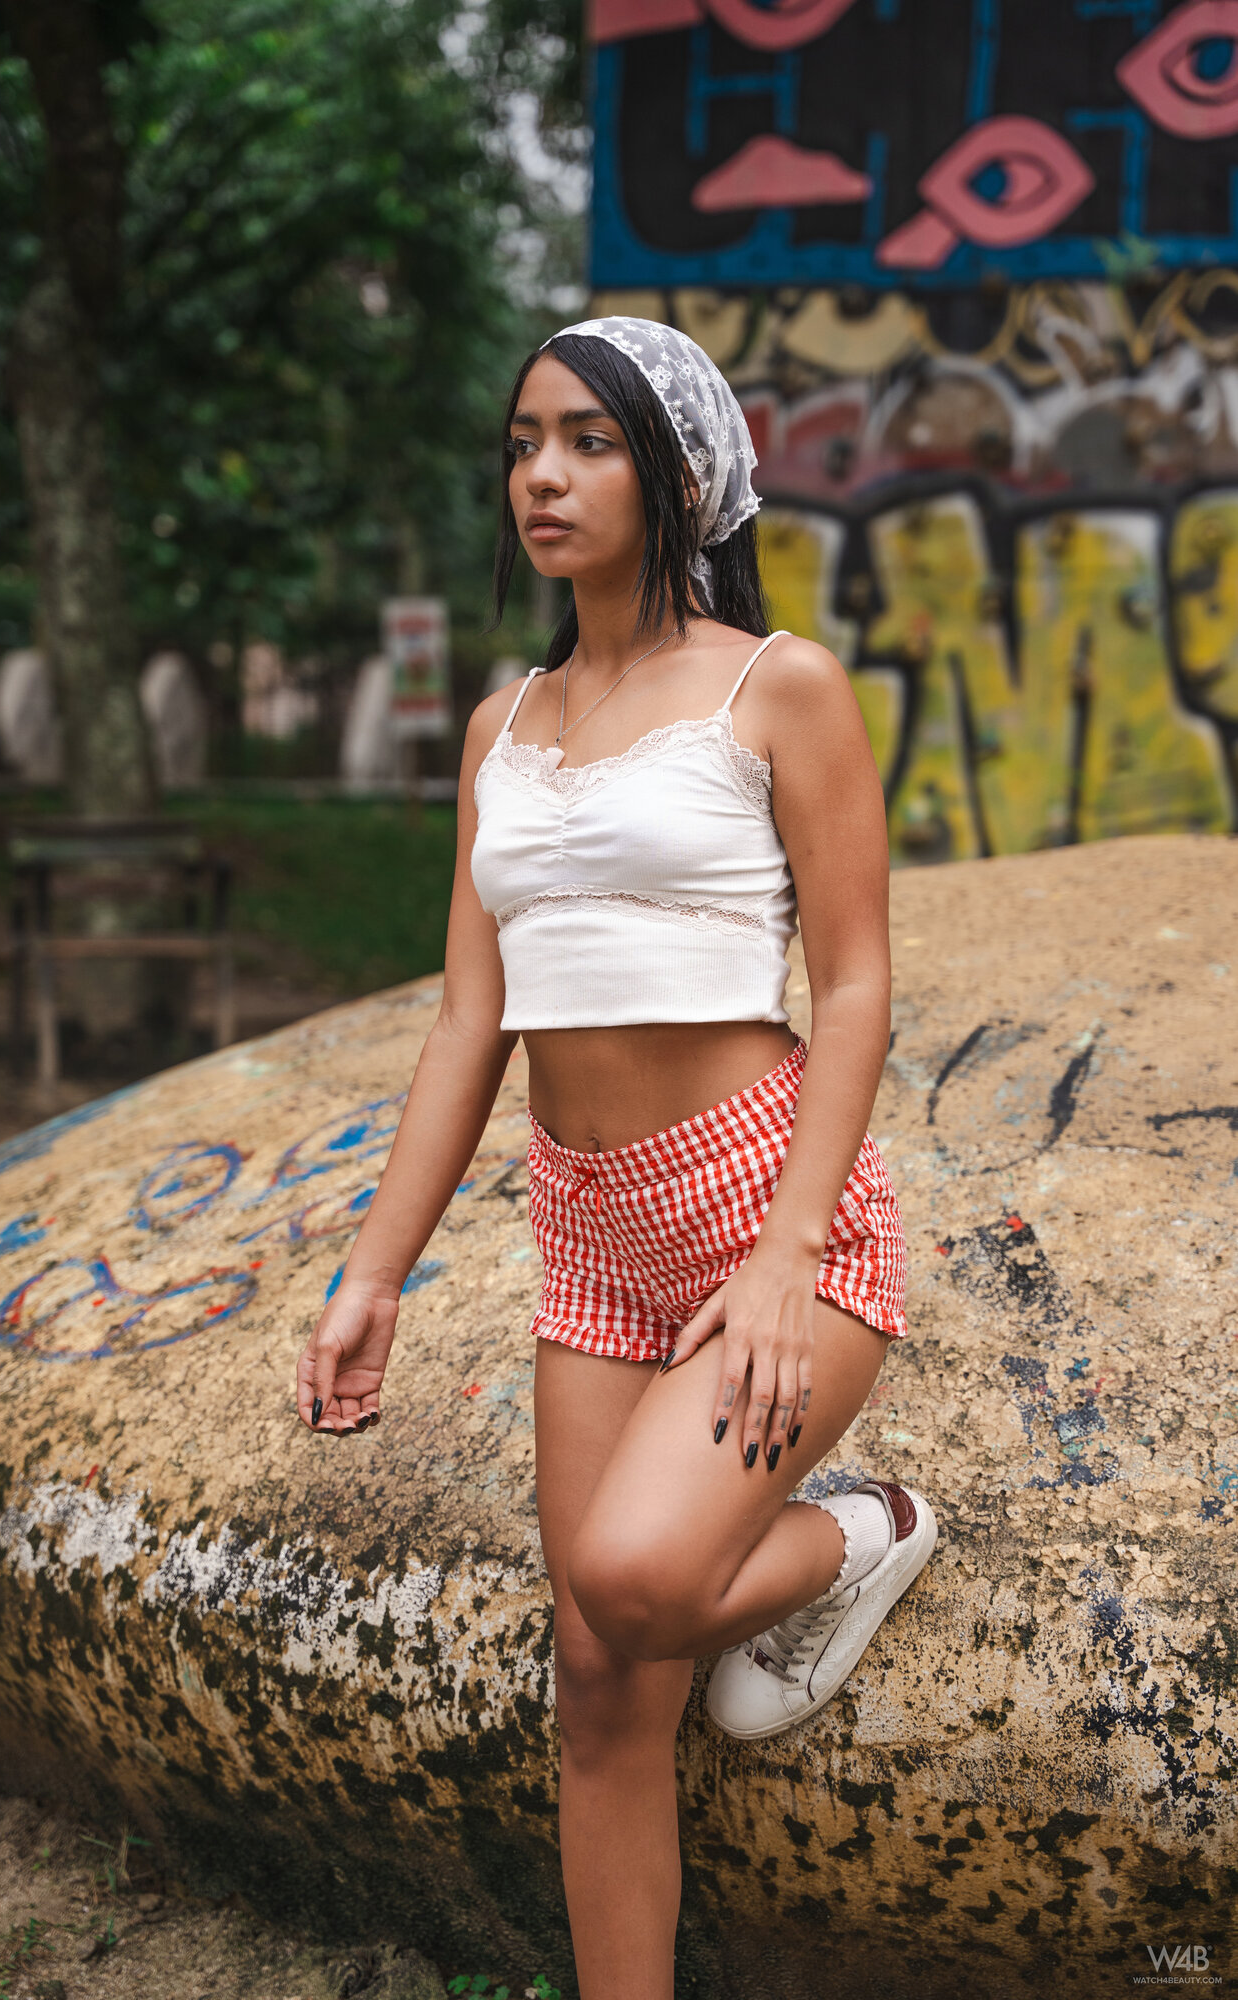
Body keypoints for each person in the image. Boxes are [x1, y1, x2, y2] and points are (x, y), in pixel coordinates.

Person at [298, 316, 936, 2000]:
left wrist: (785, 1256)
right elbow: (467, 1020)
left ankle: (862, 1532)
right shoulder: (500, 724)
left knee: (638, 1582)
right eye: (523, 442)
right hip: (587, 1235)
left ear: (676, 473)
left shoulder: (774, 685)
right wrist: (373, 1275)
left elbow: (854, 986)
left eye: (587, 441)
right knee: (597, 1684)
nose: (542, 475)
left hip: (762, 1206)